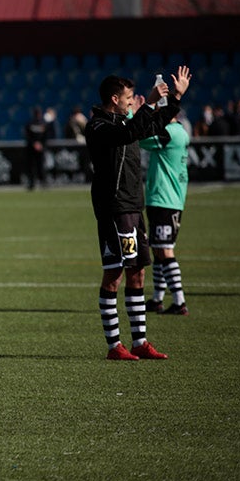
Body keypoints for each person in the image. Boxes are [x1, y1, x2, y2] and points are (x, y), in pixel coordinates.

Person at [85, 66, 191, 361]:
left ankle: (140, 342)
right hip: (114, 209)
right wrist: (149, 104)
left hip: (134, 206)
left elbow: (155, 125)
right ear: (115, 98)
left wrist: (175, 99)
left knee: (138, 271)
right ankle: (114, 345)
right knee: (114, 274)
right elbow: (129, 132)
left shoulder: (125, 121)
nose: (133, 102)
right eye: (130, 98)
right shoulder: (98, 126)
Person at [142, 115, 192, 316]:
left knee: (164, 249)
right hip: (166, 198)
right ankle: (157, 298)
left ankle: (179, 301)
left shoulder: (168, 133)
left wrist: (132, 116)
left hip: (165, 198)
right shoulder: (179, 131)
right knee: (157, 248)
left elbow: (140, 139)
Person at [24, 106, 48, 190]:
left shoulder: (43, 123)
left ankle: (43, 182)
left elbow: (46, 136)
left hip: (40, 148)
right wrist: (35, 143)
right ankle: (32, 183)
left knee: (40, 166)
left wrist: (41, 144)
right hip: (31, 149)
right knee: (32, 166)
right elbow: (27, 136)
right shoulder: (30, 123)